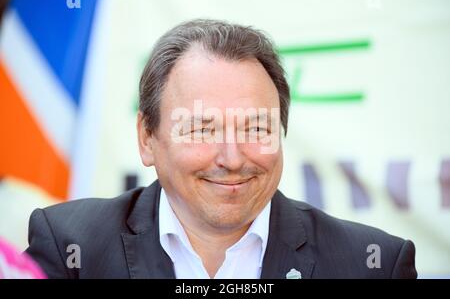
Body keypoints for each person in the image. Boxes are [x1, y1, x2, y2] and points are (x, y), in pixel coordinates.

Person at [25, 19, 417, 279]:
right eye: (201, 129)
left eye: (256, 127)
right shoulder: (70, 248)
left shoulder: (372, 263)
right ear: (147, 137)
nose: (231, 159)